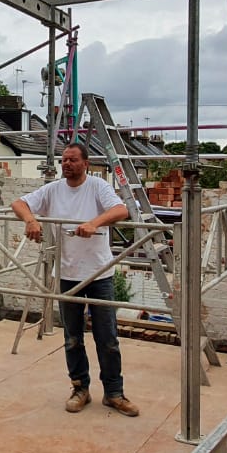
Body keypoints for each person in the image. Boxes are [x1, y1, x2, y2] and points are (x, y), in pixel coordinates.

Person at [10, 142, 140, 417]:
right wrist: (31, 220)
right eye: (63, 160)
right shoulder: (54, 189)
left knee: (107, 338)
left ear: (85, 163)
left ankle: (114, 393)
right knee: (72, 338)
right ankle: (80, 388)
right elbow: (18, 203)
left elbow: (121, 211)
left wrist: (94, 223)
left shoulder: (97, 187)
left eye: (72, 160)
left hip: (98, 273)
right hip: (67, 274)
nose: (66, 164)